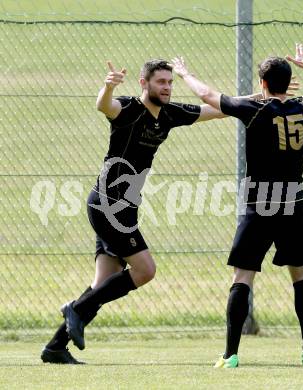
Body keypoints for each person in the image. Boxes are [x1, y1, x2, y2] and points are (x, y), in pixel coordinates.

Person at [40, 59, 268, 364]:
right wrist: (108, 86)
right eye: (161, 82)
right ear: (143, 83)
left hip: (124, 209)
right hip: (108, 205)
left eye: (170, 82)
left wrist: (260, 98)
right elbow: (104, 106)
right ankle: (76, 310)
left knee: (102, 286)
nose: (167, 87)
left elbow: (218, 109)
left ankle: (55, 347)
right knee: (145, 270)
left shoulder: (170, 114)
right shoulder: (129, 110)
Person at [171, 43, 303, 368]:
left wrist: (185, 74)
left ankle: (230, 355)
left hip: (260, 203)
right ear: (287, 81)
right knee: (301, 276)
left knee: (243, 277)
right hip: (293, 203)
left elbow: (209, 96)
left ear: (263, 84)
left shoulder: (255, 110)